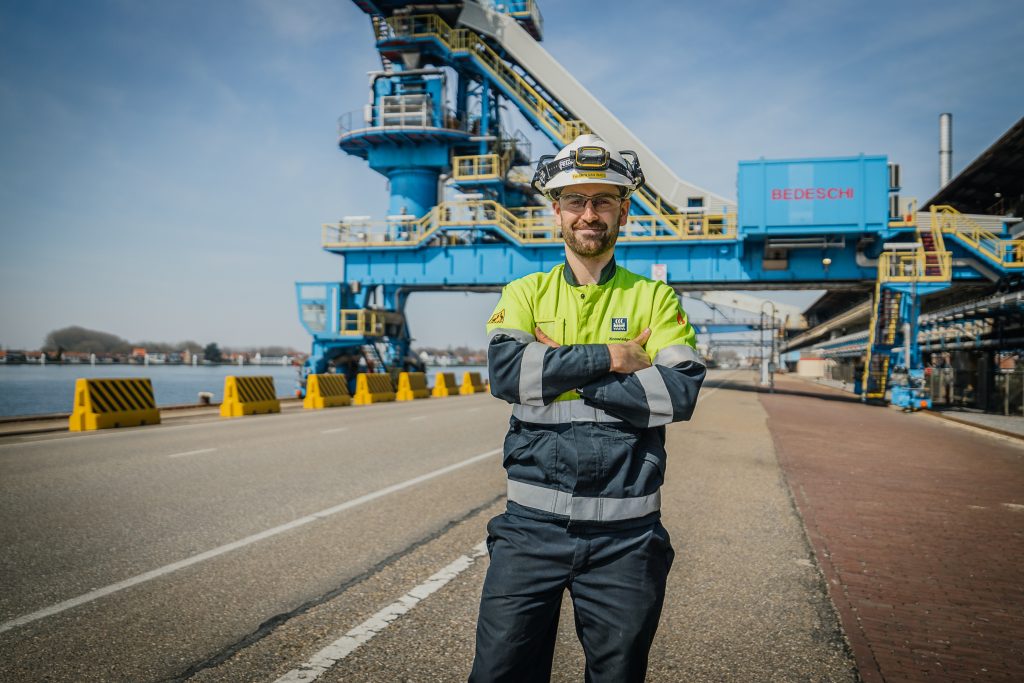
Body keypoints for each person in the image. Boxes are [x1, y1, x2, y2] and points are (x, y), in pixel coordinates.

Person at [469, 134, 706, 682]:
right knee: (498, 674)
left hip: (628, 539)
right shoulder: (525, 292)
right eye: (576, 201)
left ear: (624, 210)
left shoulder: (656, 298)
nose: (589, 215)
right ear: (556, 211)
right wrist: (615, 357)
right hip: (529, 532)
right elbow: (509, 376)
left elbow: (677, 395)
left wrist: (565, 374)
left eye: (603, 201)